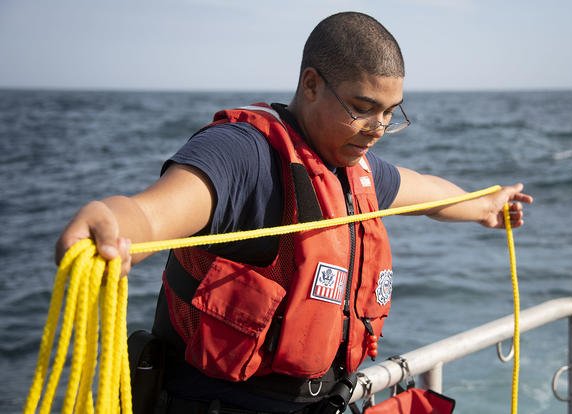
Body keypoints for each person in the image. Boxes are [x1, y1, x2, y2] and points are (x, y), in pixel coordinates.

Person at [55, 11, 533, 414]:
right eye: (364, 108)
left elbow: (426, 192)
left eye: (391, 112)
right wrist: (113, 225)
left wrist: (487, 206)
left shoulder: (354, 165)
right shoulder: (242, 153)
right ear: (310, 84)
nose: (378, 129)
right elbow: (154, 213)